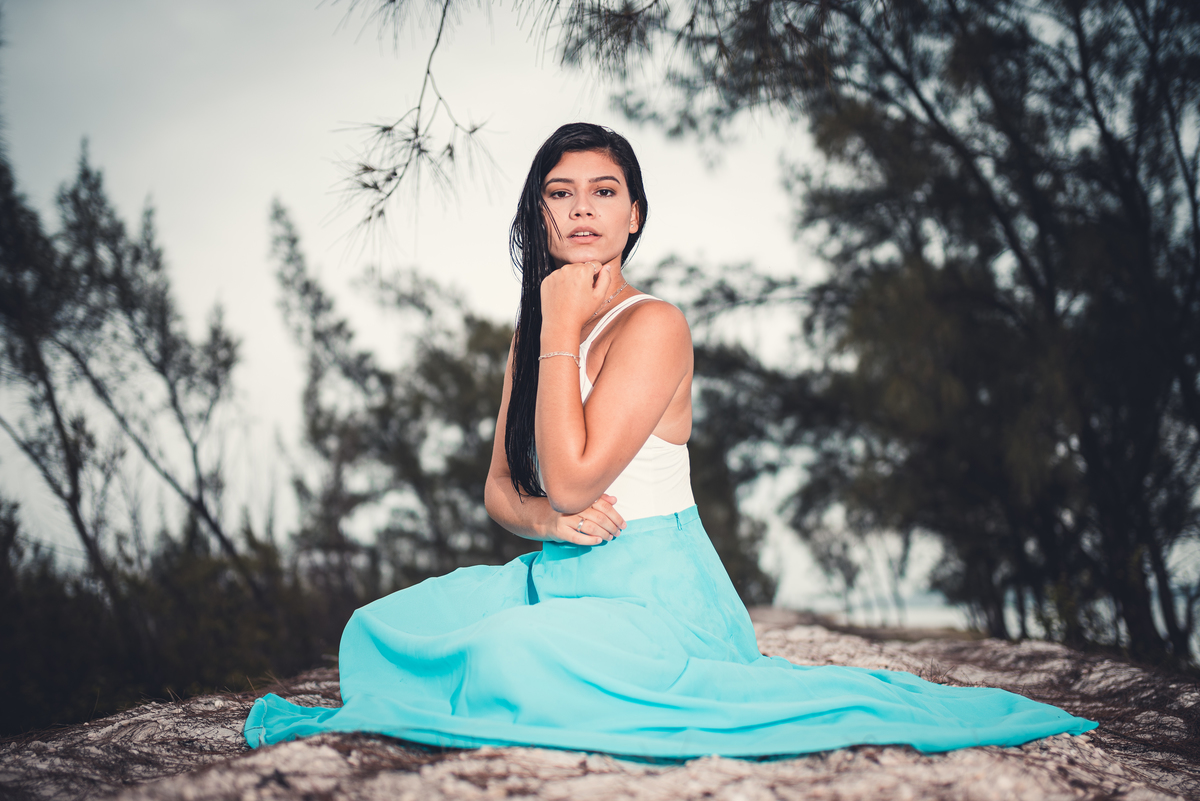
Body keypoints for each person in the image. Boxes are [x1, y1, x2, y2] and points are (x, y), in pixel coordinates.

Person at [244, 123, 1096, 758]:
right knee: (385, 629)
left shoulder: (655, 325)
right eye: (560, 193)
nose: (582, 207)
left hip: (655, 593)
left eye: (604, 190)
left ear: (634, 213)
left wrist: (563, 329)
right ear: (540, 213)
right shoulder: (532, 334)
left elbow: (574, 477)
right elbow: (504, 486)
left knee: (503, 654)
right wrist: (545, 522)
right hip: (558, 577)